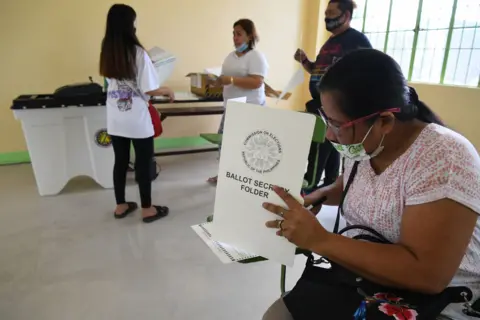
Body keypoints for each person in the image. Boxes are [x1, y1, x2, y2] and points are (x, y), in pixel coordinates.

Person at [262, 49, 480, 319]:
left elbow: (428, 274)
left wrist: (320, 240)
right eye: (326, 119)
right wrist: (319, 194)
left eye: (337, 124)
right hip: (362, 272)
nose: (330, 134)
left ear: (385, 120)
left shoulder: (444, 157)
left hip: (433, 298)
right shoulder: (366, 144)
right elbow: (353, 184)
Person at [100, 4, 175, 223]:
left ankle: (121, 205)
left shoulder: (107, 50)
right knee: (143, 162)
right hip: (137, 119)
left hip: (115, 116)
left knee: (120, 161)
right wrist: (167, 89)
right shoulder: (138, 53)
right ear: (130, 24)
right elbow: (149, 89)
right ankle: (147, 209)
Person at [294, 0, 372, 193]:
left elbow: (370, 71)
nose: (326, 17)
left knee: (318, 147)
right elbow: (318, 71)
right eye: (326, 13)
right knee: (330, 146)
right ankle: (329, 183)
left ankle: (308, 189)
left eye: (331, 12)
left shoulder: (357, 41)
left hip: (337, 109)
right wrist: (304, 60)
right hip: (320, 104)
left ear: (345, 16)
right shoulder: (330, 43)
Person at [206, 19, 269, 185]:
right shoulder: (230, 57)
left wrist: (232, 80)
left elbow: (257, 82)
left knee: (246, 147)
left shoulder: (256, 56)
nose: (235, 37)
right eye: (233, 34)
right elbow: (227, 78)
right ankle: (225, 175)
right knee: (225, 144)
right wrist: (218, 81)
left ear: (249, 36)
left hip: (250, 109)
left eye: (239, 34)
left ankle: (244, 179)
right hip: (231, 107)